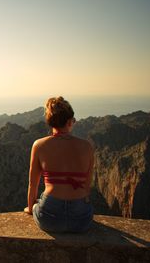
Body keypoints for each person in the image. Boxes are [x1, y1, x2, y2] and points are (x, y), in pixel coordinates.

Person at [23, 96, 94, 233]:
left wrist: (31, 208)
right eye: (73, 120)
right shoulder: (87, 146)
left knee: (39, 203)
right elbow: (86, 187)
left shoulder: (39, 145)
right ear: (69, 122)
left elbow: (33, 184)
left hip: (49, 218)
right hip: (81, 220)